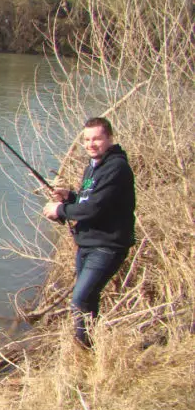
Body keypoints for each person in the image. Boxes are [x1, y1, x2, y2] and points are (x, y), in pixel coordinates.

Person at [42, 117, 136, 347]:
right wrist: (70, 197)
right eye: (86, 139)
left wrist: (60, 209)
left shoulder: (116, 167)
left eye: (97, 138)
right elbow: (89, 201)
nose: (91, 144)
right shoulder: (92, 168)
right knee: (89, 300)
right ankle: (90, 349)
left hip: (107, 246)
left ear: (110, 138)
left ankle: (85, 349)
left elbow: (94, 209)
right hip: (87, 244)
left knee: (80, 299)